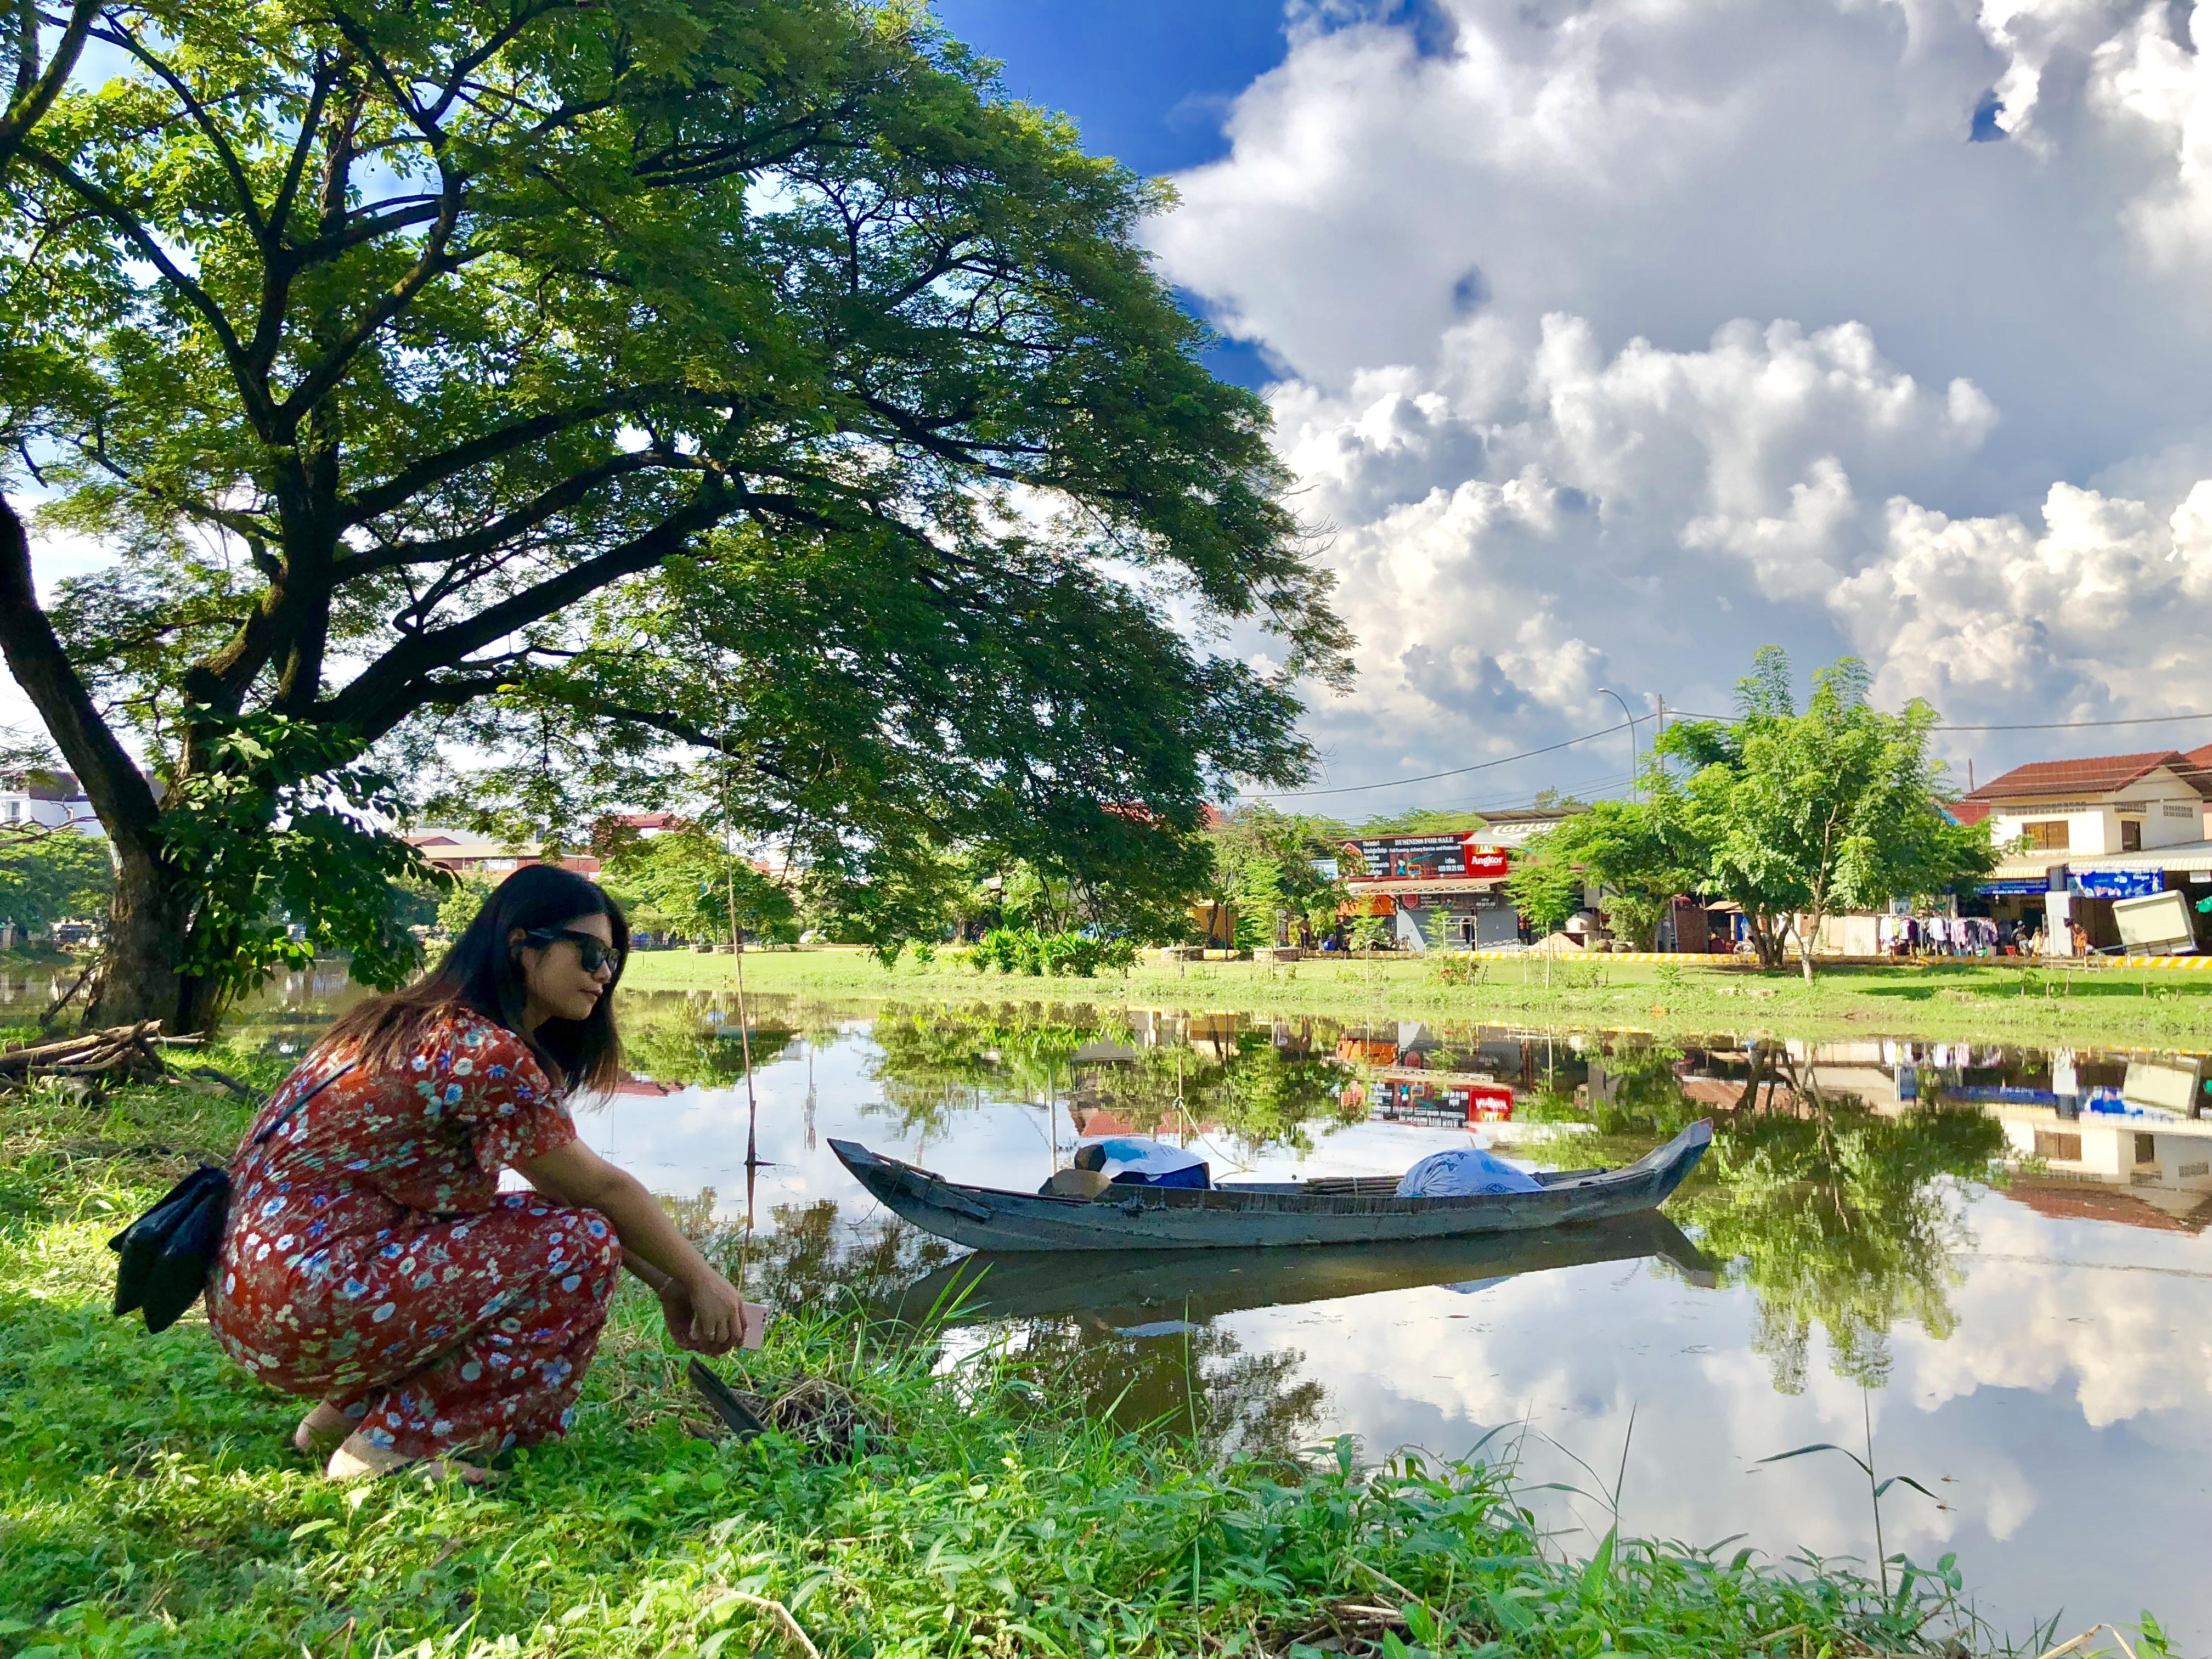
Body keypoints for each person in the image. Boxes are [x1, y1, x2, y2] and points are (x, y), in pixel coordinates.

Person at [208, 865, 755, 1483]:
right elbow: (600, 1191)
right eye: (591, 953)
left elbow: (560, 1189)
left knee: (537, 1226)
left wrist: (665, 1283)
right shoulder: (481, 1053)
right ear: (523, 945)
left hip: (252, 1298)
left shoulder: (397, 1025)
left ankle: (338, 1420)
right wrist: (703, 1279)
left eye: (614, 959)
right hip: (310, 1301)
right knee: (579, 1244)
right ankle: (391, 1451)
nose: (605, 973)